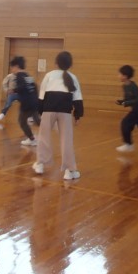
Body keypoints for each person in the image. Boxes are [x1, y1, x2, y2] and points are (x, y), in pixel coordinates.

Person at [32, 51, 84, 180]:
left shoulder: (49, 75)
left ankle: (40, 164)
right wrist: (77, 116)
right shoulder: (73, 77)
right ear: (70, 64)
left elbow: (41, 96)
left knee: (43, 138)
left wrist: (40, 112)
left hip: (48, 110)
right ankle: (70, 171)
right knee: (67, 141)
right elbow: (77, 98)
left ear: (56, 63)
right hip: (65, 112)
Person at [8, 56, 41, 146]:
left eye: (12, 67)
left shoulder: (19, 76)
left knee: (22, 121)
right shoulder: (27, 75)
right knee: (37, 120)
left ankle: (32, 139)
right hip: (34, 102)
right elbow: (35, 87)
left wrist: (13, 90)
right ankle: (48, 128)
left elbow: (21, 87)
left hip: (27, 103)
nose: (12, 70)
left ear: (16, 66)